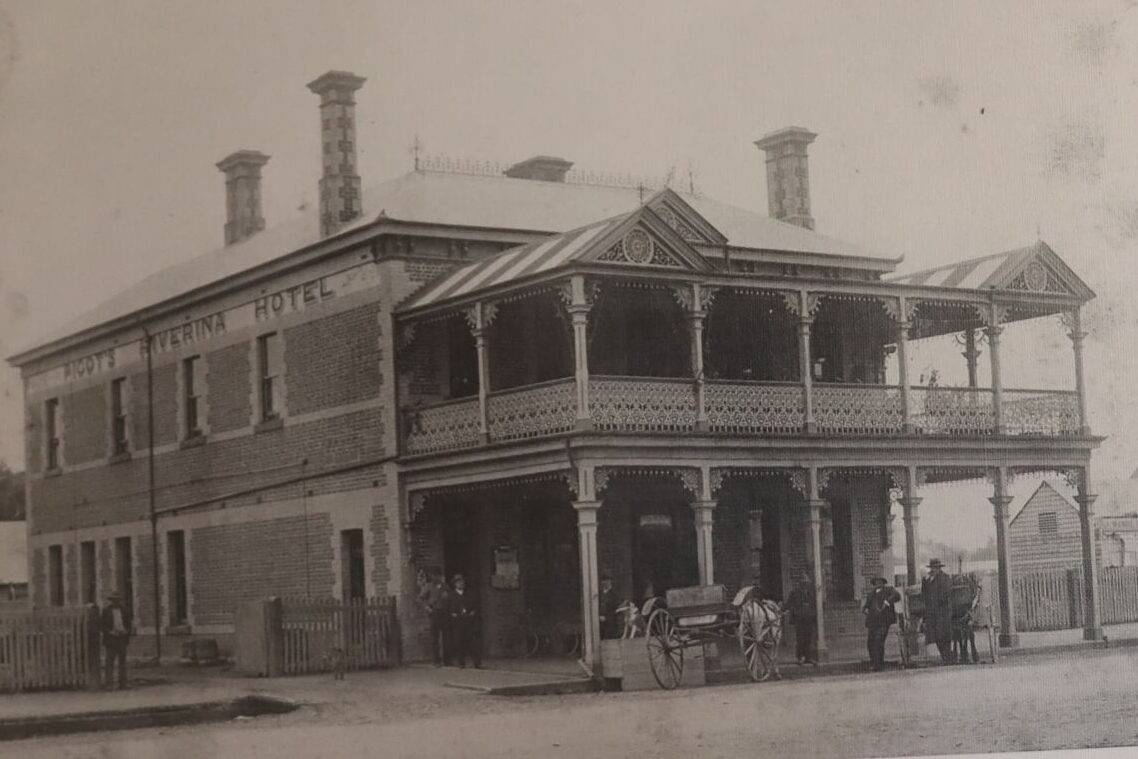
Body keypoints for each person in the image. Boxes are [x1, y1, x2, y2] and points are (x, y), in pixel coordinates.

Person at [863, 576, 901, 671]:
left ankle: (879, 664)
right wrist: (865, 610)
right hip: (872, 622)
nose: (878, 584)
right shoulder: (871, 594)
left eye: (880, 582)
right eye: (876, 582)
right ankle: (874, 663)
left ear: (884, 583)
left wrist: (887, 601)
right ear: (874, 584)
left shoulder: (889, 590)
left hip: (884, 621)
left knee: (879, 640)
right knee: (870, 643)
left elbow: (897, 596)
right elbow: (865, 607)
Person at [921, 558, 954, 663]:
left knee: (944, 635)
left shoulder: (945, 578)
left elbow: (946, 594)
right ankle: (945, 657)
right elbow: (924, 594)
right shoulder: (927, 579)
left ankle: (948, 657)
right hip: (932, 611)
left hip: (942, 611)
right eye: (932, 568)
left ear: (939, 568)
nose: (934, 570)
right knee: (936, 635)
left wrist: (937, 602)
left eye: (936, 568)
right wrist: (926, 580)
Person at [446, 574, 481, 668]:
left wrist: (472, 612)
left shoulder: (469, 594)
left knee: (472, 642)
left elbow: (474, 606)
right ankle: (461, 662)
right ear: (455, 584)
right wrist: (452, 614)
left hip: (468, 621)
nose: (461, 584)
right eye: (458, 582)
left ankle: (477, 662)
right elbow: (448, 609)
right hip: (457, 622)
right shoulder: (451, 596)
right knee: (458, 642)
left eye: (462, 582)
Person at [417, 569, 450, 666]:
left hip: (444, 613)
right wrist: (427, 608)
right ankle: (436, 660)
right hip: (434, 613)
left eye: (438, 575)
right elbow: (420, 599)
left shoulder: (445, 586)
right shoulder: (428, 586)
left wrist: (447, 598)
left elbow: (450, 597)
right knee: (434, 637)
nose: (437, 578)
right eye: (435, 575)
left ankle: (447, 660)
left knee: (446, 637)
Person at [100, 591, 132, 690]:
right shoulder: (106, 611)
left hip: (122, 639)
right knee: (109, 662)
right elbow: (102, 625)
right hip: (111, 640)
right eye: (113, 600)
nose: (115, 602)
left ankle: (123, 683)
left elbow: (128, 623)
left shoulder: (125, 610)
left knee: (123, 662)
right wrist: (110, 632)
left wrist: (126, 631)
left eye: (117, 600)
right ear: (111, 601)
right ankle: (109, 684)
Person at [783, 570, 817, 665]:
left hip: (809, 618)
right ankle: (800, 657)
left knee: (808, 638)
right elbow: (789, 604)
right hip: (799, 619)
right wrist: (783, 609)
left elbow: (814, 605)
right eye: (803, 583)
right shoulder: (794, 593)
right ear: (800, 583)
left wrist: (813, 615)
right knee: (800, 639)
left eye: (806, 583)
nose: (805, 585)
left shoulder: (811, 593)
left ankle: (808, 657)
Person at [598, 574, 620, 640]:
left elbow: (616, 609)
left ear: (610, 581)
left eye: (606, 581)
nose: (604, 583)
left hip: (610, 622)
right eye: (603, 581)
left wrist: (607, 617)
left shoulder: (614, 594)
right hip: (599, 621)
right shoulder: (599, 594)